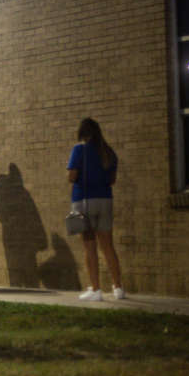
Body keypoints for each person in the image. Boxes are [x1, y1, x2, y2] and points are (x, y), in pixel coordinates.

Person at [68, 118, 124, 301]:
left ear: (82, 133)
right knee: (108, 246)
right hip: (105, 200)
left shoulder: (79, 149)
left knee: (89, 247)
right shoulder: (108, 152)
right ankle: (118, 288)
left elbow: (72, 176)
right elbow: (112, 180)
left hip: (84, 201)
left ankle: (96, 289)